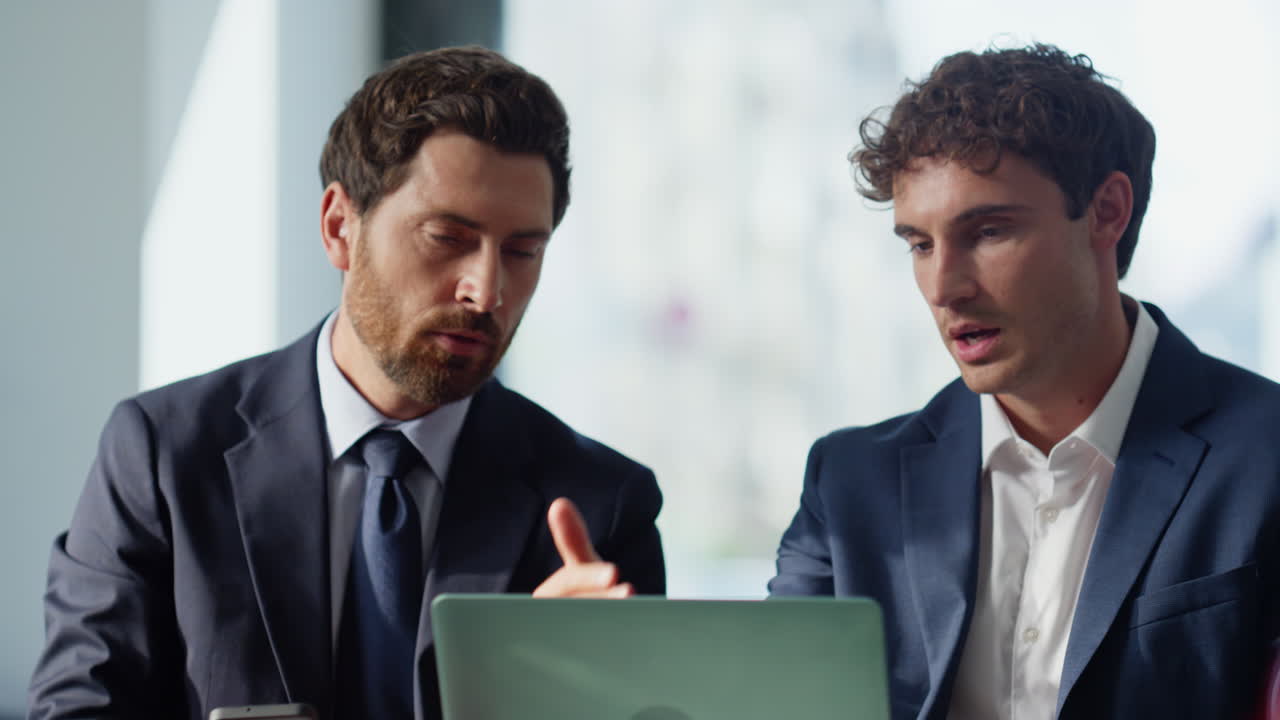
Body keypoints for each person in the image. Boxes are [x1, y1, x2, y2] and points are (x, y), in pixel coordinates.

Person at [28, 46, 664, 720]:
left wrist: (573, 699)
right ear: (340, 227)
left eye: (522, 252)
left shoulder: (602, 506)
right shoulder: (163, 454)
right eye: (447, 236)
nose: (486, 289)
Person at [770, 43, 1280, 720]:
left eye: (988, 231)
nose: (944, 287)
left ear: (1107, 212)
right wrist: (621, 657)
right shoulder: (848, 482)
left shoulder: (1265, 457)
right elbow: (768, 701)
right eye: (919, 244)